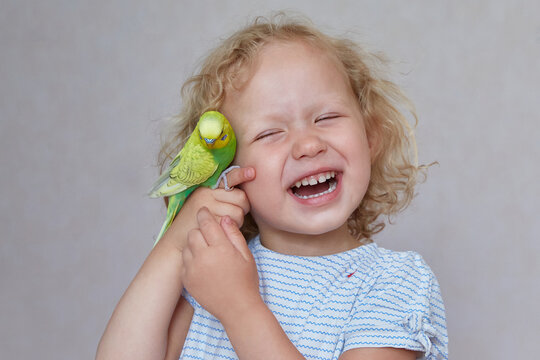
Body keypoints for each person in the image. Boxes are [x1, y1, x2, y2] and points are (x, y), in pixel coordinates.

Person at [97, 14, 448, 360]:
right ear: (229, 171)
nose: (308, 145)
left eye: (326, 117)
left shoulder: (395, 282)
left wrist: (239, 307)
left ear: (370, 136)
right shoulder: (213, 269)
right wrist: (178, 240)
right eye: (269, 133)